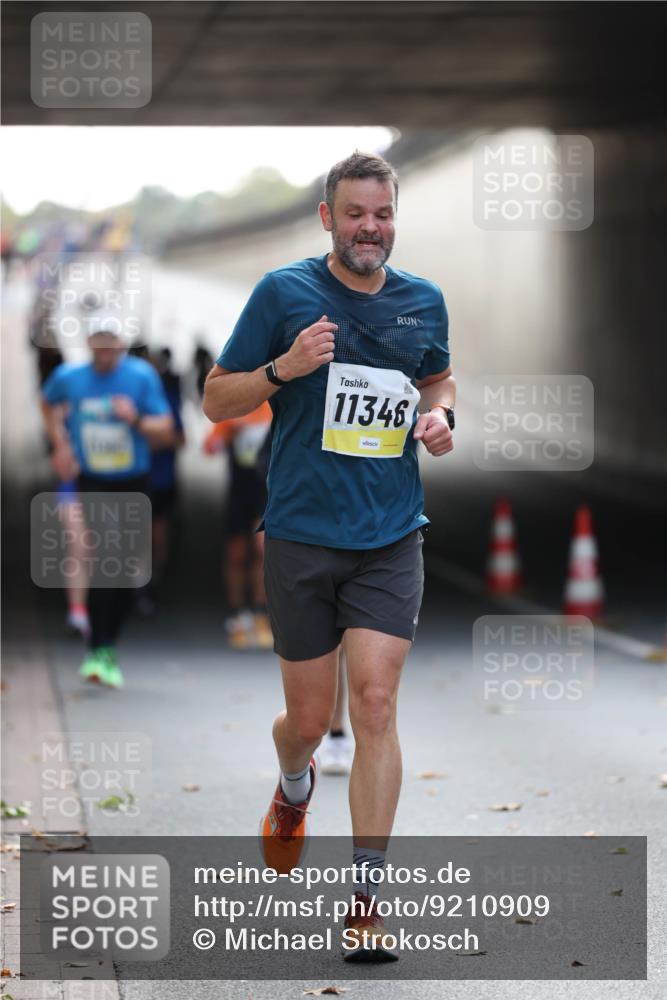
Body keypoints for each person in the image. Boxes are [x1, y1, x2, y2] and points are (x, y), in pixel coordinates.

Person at [203, 150, 455, 960]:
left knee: (374, 706)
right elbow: (215, 398)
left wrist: (441, 417)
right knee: (309, 722)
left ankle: (365, 904)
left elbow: (438, 380)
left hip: (390, 534)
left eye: (381, 214)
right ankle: (292, 782)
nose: (369, 228)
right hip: (302, 534)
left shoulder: (422, 301)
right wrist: (283, 368)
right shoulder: (283, 294)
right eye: (354, 214)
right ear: (327, 219)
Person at [41, 326, 173, 688]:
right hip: (93, 479)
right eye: (99, 342)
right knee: (104, 555)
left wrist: (135, 419)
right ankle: (97, 648)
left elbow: (166, 429)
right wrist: (60, 444)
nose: (105, 350)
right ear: (89, 343)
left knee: (127, 566)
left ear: (122, 344)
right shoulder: (69, 377)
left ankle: (108, 643)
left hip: (133, 479)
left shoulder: (141, 376)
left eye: (112, 343)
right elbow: (47, 402)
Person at [203, 402, 273, 648]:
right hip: (240, 492)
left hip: (267, 492)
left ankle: (259, 612)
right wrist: (230, 430)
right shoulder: (237, 407)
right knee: (236, 553)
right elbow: (209, 448)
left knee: (262, 549)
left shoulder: (275, 406)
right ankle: (236, 613)